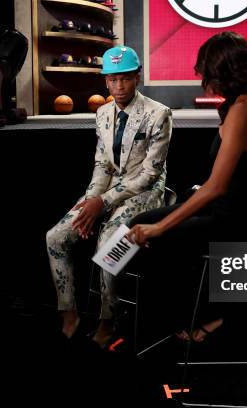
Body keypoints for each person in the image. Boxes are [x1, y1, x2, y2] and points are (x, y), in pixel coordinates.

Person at [126, 32, 247, 342]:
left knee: (149, 234)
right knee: (136, 226)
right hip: (226, 208)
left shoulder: (244, 108)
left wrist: (161, 228)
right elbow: (230, 178)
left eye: (208, 74)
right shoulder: (243, 103)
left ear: (226, 73)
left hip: (235, 220)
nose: (205, 81)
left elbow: (218, 187)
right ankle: (159, 312)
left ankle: (213, 315)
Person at [45, 45, 173, 346]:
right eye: (113, 79)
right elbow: (102, 166)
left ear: (137, 77)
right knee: (55, 237)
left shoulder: (159, 114)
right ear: (105, 81)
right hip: (106, 192)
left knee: (109, 244)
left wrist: (101, 203)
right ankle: (69, 311)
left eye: (125, 79)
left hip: (145, 193)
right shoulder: (102, 113)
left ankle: (108, 318)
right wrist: (90, 203)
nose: (119, 86)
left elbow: (149, 175)